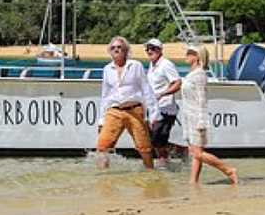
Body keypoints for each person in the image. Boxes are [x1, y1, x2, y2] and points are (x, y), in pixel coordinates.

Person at [96, 36, 159, 169]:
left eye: (119, 47)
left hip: (134, 110)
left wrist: (153, 114)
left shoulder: (136, 65)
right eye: (113, 48)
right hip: (114, 110)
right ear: (109, 51)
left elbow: (146, 89)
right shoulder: (107, 69)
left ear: (126, 50)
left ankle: (150, 173)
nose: (116, 50)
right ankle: (103, 179)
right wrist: (101, 119)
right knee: (102, 147)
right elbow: (105, 95)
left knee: (144, 148)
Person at [181, 45, 238, 185]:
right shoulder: (192, 74)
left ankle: (229, 170)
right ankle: (193, 182)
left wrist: (201, 121)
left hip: (196, 117)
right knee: (194, 152)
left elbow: (202, 99)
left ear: (197, 57)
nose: (186, 55)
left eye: (190, 53)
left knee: (197, 153)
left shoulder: (200, 74)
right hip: (189, 117)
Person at [144, 38, 182, 169]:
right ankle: (178, 152)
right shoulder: (151, 65)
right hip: (154, 109)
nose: (150, 51)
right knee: (153, 139)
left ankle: (164, 162)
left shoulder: (166, 64)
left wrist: (163, 94)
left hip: (166, 109)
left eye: (153, 48)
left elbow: (177, 83)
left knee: (156, 139)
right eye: (147, 49)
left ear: (160, 50)